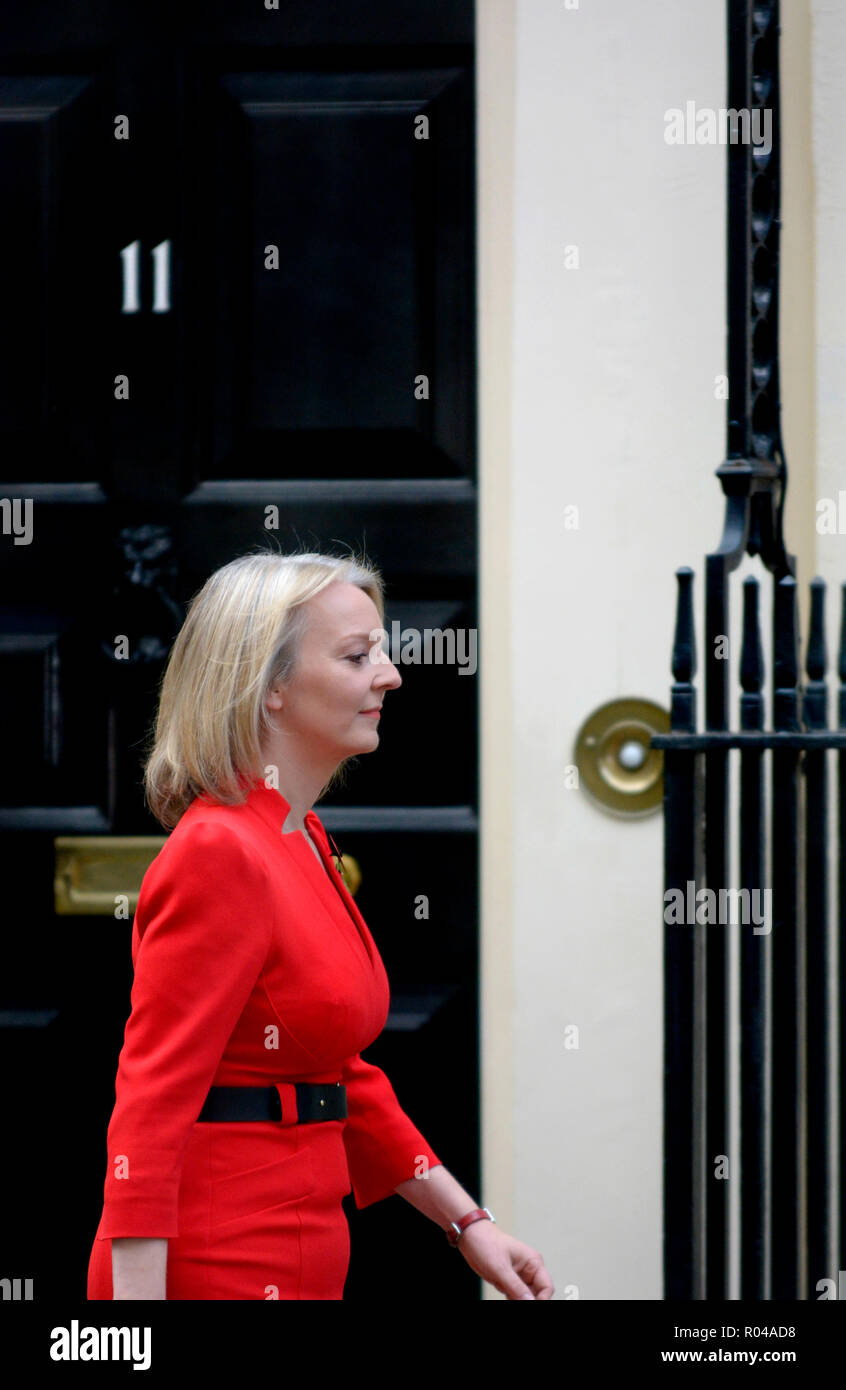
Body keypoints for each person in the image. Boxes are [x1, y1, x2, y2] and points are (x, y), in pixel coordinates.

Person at [86, 548, 554, 1300]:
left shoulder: (299, 833)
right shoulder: (219, 851)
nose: (389, 675)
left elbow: (337, 1068)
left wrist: (469, 1223)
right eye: (357, 655)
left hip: (303, 1251)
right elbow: (151, 1103)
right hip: (218, 1261)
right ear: (269, 685)